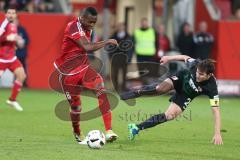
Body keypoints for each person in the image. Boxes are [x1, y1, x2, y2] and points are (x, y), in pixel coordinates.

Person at [120, 55, 223, 145]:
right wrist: (168, 58)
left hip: (186, 94)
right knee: (160, 89)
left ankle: (136, 128)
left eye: (201, 74)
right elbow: (184, 57)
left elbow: (216, 111)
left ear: (209, 75)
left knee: (169, 116)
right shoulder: (196, 64)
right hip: (181, 78)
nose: (197, 75)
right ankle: (136, 93)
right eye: (197, 72)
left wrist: (217, 134)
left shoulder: (211, 87)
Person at [54, 7, 118, 145]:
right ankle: (76, 131)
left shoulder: (87, 27)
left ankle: (109, 131)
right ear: (82, 18)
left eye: (94, 22)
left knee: (101, 88)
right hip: (68, 74)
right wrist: (106, 42)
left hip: (83, 69)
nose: (92, 25)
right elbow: (86, 47)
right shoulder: (73, 26)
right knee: (76, 107)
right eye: (90, 22)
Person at [0, 7, 26, 111]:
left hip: (12, 58)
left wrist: (16, 42)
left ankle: (12, 100)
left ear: (15, 15)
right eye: (9, 13)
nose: (11, 15)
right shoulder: (3, 24)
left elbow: (12, 39)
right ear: (6, 14)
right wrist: (7, 38)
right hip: (1, 59)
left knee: (22, 76)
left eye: (13, 13)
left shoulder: (14, 25)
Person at [109, 23, 132, 92]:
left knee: (124, 74)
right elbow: (109, 47)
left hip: (124, 58)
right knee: (114, 74)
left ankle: (123, 88)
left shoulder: (128, 36)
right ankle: (115, 87)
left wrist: (129, 58)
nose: (120, 28)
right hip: (115, 58)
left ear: (124, 27)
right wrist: (110, 56)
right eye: (119, 26)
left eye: (121, 26)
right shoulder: (113, 36)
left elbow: (131, 49)